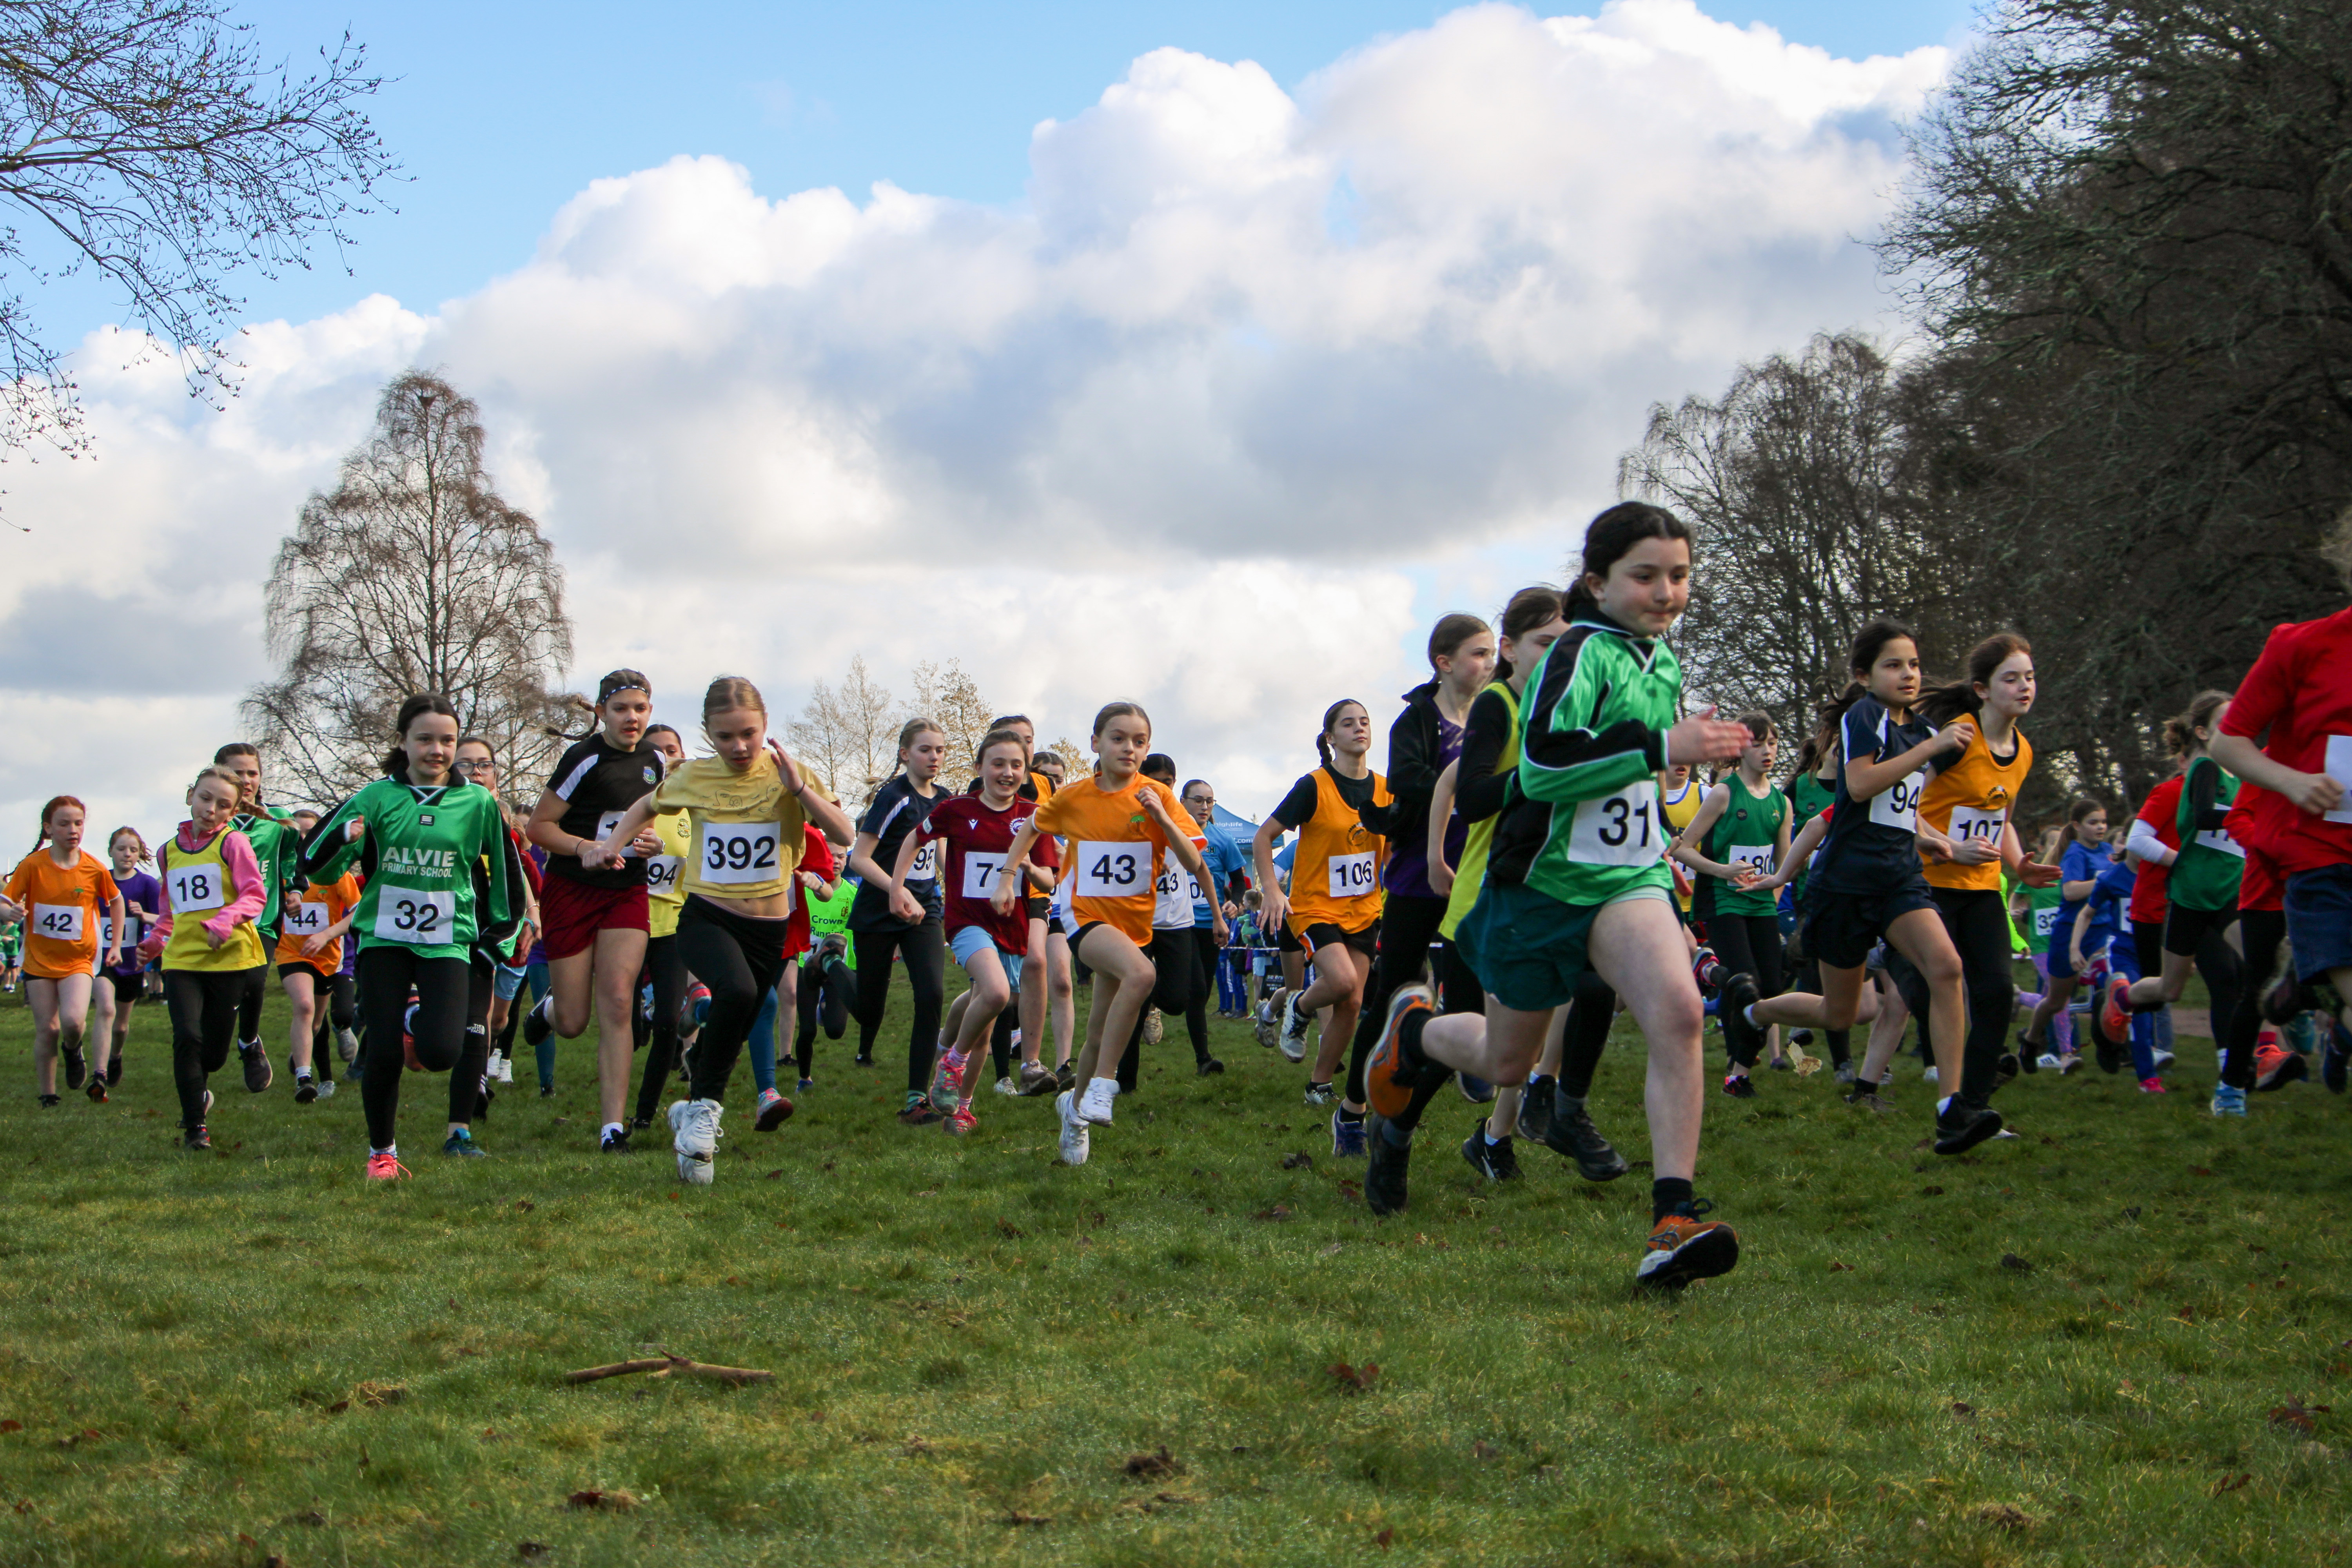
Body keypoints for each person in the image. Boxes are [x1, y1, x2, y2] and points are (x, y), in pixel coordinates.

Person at [1359, 503, 1752, 1289]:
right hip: (1541, 885)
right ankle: (1416, 1034)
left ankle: (1672, 1217)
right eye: (1646, 576)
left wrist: (1675, 764)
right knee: (1507, 1062)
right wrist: (1661, 746)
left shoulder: (1659, 660)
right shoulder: (1580, 651)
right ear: (1598, 581)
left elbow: (1632, 774)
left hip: (1626, 877)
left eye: (1679, 575)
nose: (1666, 592)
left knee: (1678, 1013)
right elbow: (1543, 769)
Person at [584, 677, 850, 1184]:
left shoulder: (791, 775)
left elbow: (844, 834)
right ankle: (705, 1113)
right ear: (709, 733)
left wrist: (800, 793)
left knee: (738, 1012)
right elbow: (646, 806)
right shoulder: (695, 777)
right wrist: (613, 846)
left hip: (769, 929)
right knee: (739, 991)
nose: (740, 747)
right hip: (709, 917)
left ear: (766, 726)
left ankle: (687, 1110)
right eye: (726, 737)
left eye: (749, 734)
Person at [1743, 620, 1992, 1156]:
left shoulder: (1923, 730)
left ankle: (1953, 1108)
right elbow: (1860, 784)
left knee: (1947, 968)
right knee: (1841, 1013)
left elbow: (1902, 806)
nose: (1908, 674)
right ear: (1864, 674)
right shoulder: (1867, 716)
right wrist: (1932, 749)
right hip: (1845, 887)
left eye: (1915, 665)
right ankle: (1756, 1014)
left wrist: (1931, 839)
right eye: (1894, 665)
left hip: (1900, 880)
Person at [302, 695, 526, 1174]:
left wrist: (498, 937)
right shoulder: (376, 797)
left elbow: (506, 875)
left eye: (447, 740)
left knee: (443, 1051)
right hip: (385, 938)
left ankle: (412, 1018)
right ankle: (382, 1152)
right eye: (425, 739)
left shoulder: (478, 802)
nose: (437, 750)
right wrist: (346, 839)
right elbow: (313, 865)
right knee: (382, 1050)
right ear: (403, 742)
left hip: (448, 939)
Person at [989, 702, 1216, 1165]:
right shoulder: (1075, 797)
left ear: (1147, 747)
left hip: (1135, 924)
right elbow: (1031, 827)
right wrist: (1008, 875)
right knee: (1142, 975)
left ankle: (1073, 1115)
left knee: (1097, 1031)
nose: (1128, 748)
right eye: (1118, 738)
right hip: (1083, 916)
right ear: (1096, 743)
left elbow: (1194, 863)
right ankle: (1104, 1086)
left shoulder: (1158, 796)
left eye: (1138, 741)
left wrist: (1163, 818)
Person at [1426, 585, 1601, 1179]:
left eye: (1568, 645)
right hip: (1491, 890)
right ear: (1511, 648)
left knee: (1568, 1004)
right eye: (1545, 643)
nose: (1559, 658)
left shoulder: (1574, 708)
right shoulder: (1500, 703)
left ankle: (1511, 1128)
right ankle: (1408, 1051)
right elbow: (1466, 791)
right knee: (1503, 1054)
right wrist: (1434, 855)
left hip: (1554, 887)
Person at [2209, 543, 2352, 1080]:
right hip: (2321, 862)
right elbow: (2229, 742)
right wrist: (2292, 782)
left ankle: (2329, 1016)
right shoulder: (2305, 645)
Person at [1903, 633, 2060, 1105]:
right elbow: (1905, 806)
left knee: (1997, 995)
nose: (2024, 687)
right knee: (1926, 989)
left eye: (2029, 677)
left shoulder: (2023, 750)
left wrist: (2020, 866)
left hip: (1983, 888)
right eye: (2010, 679)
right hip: (1929, 885)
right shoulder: (1957, 739)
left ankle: (1971, 1106)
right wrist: (1949, 846)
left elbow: (2001, 820)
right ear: (1983, 689)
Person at [522, 671, 664, 1153]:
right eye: (621, 708)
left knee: (620, 1002)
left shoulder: (656, 761)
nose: (632, 718)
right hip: (572, 890)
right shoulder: (582, 758)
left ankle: (612, 1128)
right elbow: (539, 828)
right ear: (601, 712)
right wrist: (587, 846)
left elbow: (651, 823)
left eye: (640, 709)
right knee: (573, 1021)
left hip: (626, 891)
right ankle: (550, 1007)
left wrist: (652, 843)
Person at [904, 728, 1058, 1133]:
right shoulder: (957, 809)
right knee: (995, 993)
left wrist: (1023, 866)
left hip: (1014, 928)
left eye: (1016, 765)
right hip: (967, 922)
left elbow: (1049, 878)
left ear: (1026, 773)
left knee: (985, 1018)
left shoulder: (1032, 817)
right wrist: (895, 889)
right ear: (980, 767)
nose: (1007, 772)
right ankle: (951, 1061)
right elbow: (913, 840)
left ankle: (962, 1108)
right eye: (998, 763)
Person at [1255, 702, 1389, 1104]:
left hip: (1365, 910)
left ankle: (1320, 1083)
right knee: (1343, 981)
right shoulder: (1314, 785)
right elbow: (1264, 837)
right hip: (1316, 907)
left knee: (1351, 1001)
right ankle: (1299, 1006)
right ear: (1331, 738)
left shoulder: (1386, 789)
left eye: (1364, 722)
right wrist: (1272, 890)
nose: (1359, 728)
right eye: (1348, 724)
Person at [2104, 693, 2246, 1062]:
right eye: (2225, 722)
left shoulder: (2241, 777)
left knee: (2244, 973)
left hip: (2228, 893)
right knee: (2171, 989)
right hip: (2189, 897)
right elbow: (2189, 823)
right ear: (2202, 732)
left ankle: (2241, 1065)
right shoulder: (2202, 771)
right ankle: (2124, 996)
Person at [140, 767, 269, 1149]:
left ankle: (206, 1087)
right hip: (182, 961)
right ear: (190, 796)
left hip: (229, 959)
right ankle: (196, 1127)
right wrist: (155, 941)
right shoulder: (168, 851)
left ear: (232, 812)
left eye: (223, 805)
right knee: (187, 1038)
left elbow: (255, 894)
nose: (211, 809)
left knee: (212, 1056)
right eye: (205, 798)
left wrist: (225, 920)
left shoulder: (234, 844)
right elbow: (169, 910)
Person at [1670, 713, 1791, 1096]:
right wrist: (1722, 871)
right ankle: (1738, 1073)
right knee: (1747, 984)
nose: (1767, 750)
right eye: (1758, 744)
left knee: (1772, 990)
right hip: (1723, 903)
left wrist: (1770, 899)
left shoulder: (1781, 803)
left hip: (1762, 907)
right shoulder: (1723, 793)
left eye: (1772, 743)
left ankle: (1737, 1065)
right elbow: (1681, 849)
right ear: (1740, 749)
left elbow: (1783, 863)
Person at [846, 719, 951, 1123]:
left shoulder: (943, 798)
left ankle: (915, 1099)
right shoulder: (894, 797)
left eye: (940, 750)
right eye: (926, 750)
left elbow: (940, 852)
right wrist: (896, 888)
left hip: (925, 909)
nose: (935, 757)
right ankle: (831, 965)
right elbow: (859, 857)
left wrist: (957, 887)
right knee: (869, 1010)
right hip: (878, 909)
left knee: (932, 994)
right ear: (906, 754)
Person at [1, 797, 126, 1105]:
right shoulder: (33, 866)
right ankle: (48, 1095)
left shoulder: (94, 868)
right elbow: (5, 900)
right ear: (49, 829)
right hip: (39, 962)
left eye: (79, 823)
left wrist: (115, 945)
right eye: (65, 824)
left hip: (78, 961)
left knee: (72, 1022)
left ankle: (74, 1050)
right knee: (48, 1029)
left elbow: (117, 901)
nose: (73, 830)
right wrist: (8, 914)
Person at [621, 724, 692, 1137]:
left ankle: (645, 1113)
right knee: (629, 1029)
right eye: (658, 751)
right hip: (627, 925)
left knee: (669, 1020)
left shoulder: (690, 809)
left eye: (673, 749)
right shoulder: (633, 805)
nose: (667, 757)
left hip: (673, 928)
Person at [215, 743, 298, 1095]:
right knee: (224, 994)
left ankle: (250, 1043)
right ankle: (216, 1045)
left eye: (252, 773)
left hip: (262, 921)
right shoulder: (212, 820)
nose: (246, 781)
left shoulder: (278, 820)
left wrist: (294, 888)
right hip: (216, 922)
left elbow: (293, 857)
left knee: (254, 981)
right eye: (237, 773)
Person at [274, 844, 360, 1105]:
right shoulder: (282, 876)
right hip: (291, 954)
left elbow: (360, 910)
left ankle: (306, 1046)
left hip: (328, 958)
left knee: (315, 1023)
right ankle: (305, 1079)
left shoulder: (336, 874)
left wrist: (327, 935)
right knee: (304, 1005)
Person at [97, 827, 162, 1089]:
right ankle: (99, 1073)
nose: (127, 855)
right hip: (102, 960)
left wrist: (143, 916)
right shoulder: (100, 880)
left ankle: (116, 1056)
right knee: (106, 1009)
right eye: (121, 849)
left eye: (133, 850)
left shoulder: (147, 884)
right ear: (111, 851)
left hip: (132, 962)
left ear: (140, 854)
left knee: (121, 1027)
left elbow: (164, 920)